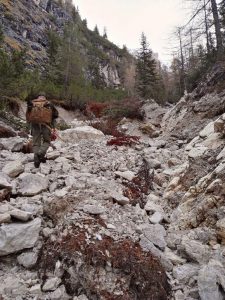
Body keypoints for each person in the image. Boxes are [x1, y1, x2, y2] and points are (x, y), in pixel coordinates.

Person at [26, 92, 59, 168]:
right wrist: (54, 127)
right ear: (45, 97)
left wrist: (27, 127)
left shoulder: (32, 103)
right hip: (46, 126)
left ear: (38, 97)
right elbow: (55, 116)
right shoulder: (49, 104)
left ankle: (36, 159)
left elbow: (28, 116)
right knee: (47, 141)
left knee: (36, 143)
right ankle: (40, 154)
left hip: (35, 125)